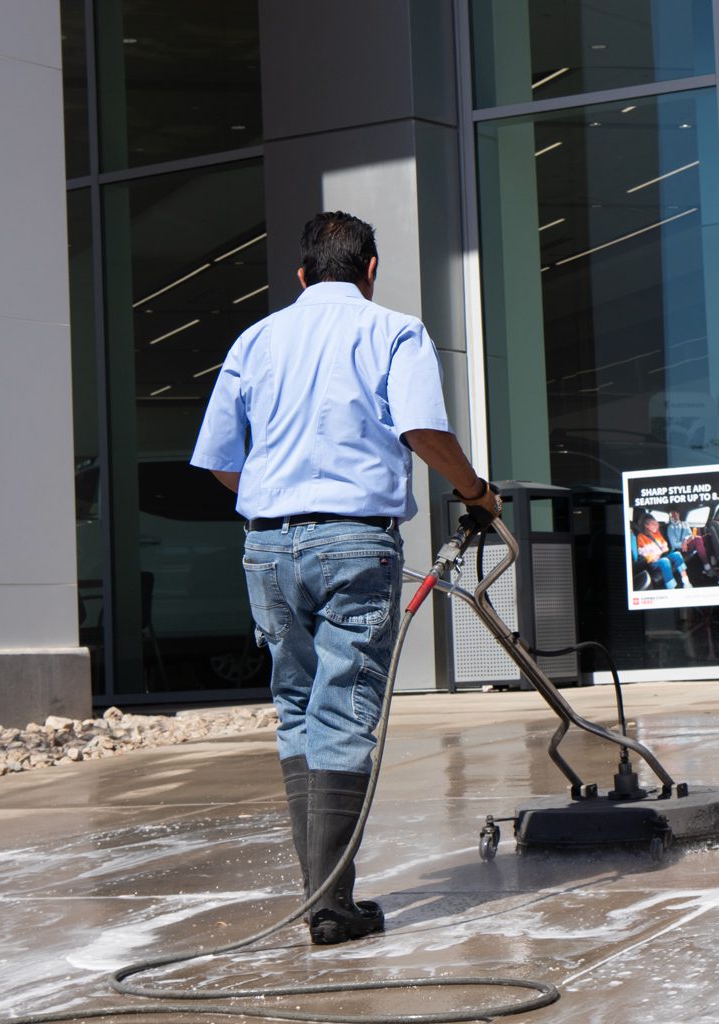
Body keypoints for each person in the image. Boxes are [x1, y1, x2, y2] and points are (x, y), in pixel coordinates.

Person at [191, 211, 499, 946]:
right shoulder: (393, 331)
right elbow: (424, 432)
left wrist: (278, 499)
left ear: (302, 276)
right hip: (354, 544)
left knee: (297, 707)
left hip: (267, 545)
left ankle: (319, 897)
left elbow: (219, 457)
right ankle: (330, 907)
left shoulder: (256, 339)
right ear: (370, 270)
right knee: (343, 713)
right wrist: (475, 492)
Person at [635, 514, 691, 589]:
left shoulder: (657, 533)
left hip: (662, 556)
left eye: (657, 523)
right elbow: (643, 553)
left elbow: (665, 545)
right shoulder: (640, 537)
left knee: (677, 554)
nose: (657, 526)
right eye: (653, 524)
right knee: (665, 561)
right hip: (653, 561)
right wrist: (654, 556)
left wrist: (664, 549)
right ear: (646, 526)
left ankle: (686, 582)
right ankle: (671, 588)